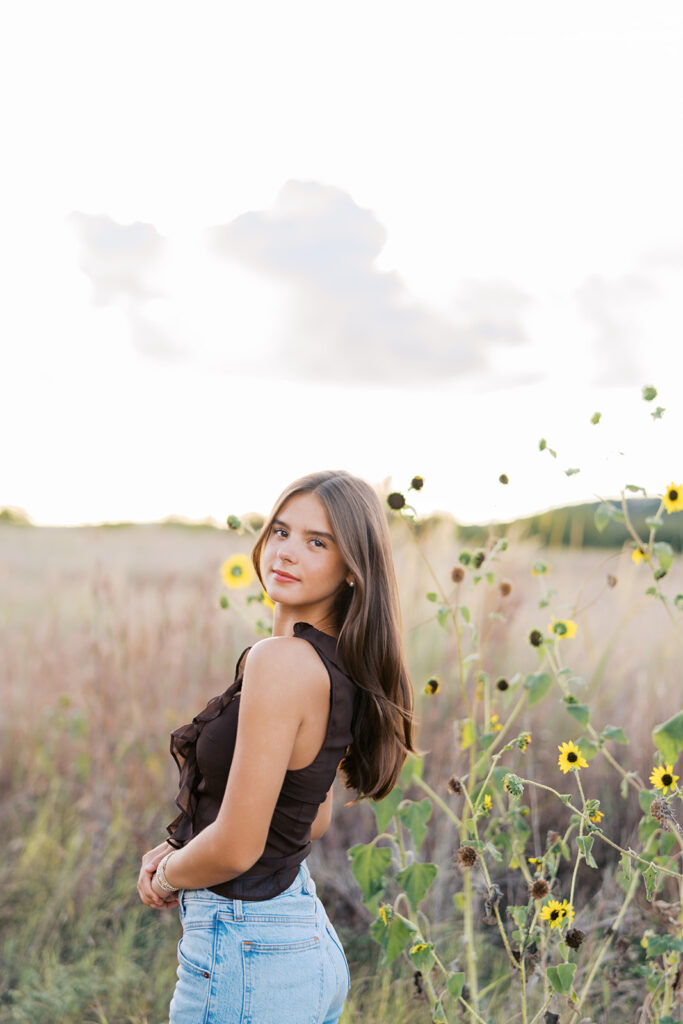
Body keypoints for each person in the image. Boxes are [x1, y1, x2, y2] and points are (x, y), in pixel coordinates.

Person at [137, 469, 415, 1024]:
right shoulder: (333, 662)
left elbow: (238, 848)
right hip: (299, 941)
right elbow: (310, 817)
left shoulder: (281, 661)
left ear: (352, 569)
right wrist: (180, 846)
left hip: (247, 954)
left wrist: (166, 877)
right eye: (282, 531)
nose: (286, 552)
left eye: (318, 542)